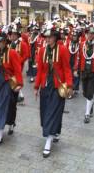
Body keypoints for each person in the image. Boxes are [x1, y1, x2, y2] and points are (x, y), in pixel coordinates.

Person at [34, 23, 73, 158]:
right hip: (46, 85)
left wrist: (69, 85)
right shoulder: (42, 51)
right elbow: (40, 70)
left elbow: (67, 69)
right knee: (46, 112)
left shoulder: (62, 50)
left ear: (55, 38)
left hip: (57, 86)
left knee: (52, 112)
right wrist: (36, 86)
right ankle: (54, 132)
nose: (48, 39)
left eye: (50, 37)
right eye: (46, 37)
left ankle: (48, 142)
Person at [0, 32, 23, 147]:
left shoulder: (12, 53)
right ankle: (6, 125)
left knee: (1, 106)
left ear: (5, 42)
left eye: (0, 41)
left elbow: (17, 69)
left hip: (7, 82)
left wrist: (20, 84)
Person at [74, 27, 94, 123]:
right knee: (85, 93)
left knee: (89, 93)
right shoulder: (81, 45)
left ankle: (87, 114)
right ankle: (91, 103)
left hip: (93, 72)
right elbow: (78, 58)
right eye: (89, 33)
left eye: (92, 34)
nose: (90, 35)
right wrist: (76, 69)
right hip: (84, 71)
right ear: (87, 34)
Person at [8, 23, 29, 104]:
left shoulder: (22, 44)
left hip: (19, 65)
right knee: (12, 78)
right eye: (11, 34)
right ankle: (19, 94)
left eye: (14, 34)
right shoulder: (9, 44)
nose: (12, 36)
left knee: (17, 78)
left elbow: (26, 55)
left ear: (17, 35)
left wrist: (19, 61)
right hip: (10, 65)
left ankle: (20, 94)